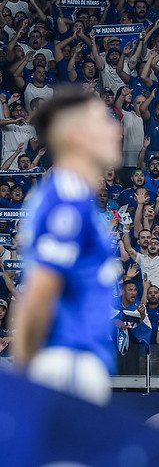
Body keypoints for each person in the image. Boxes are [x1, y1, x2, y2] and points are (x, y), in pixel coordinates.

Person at [13, 91, 121, 405]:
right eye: (103, 121)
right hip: (67, 363)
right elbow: (40, 290)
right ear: (75, 137)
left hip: (72, 362)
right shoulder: (67, 195)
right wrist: (24, 375)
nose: (115, 129)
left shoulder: (71, 194)